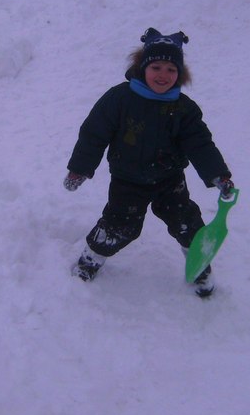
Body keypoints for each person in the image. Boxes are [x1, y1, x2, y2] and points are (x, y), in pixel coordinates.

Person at [63, 28, 234, 298]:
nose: (163, 75)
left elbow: (200, 144)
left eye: (171, 69)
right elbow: (94, 133)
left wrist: (218, 175)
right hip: (127, 179)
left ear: (180, 74)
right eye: (156, 67)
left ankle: (199, 266)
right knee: (120, 225)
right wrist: (80, 168)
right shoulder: (119, 99)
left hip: (170, 180)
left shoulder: (183, 108)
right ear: (142, 66)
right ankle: (91, 258)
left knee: (188, 223)